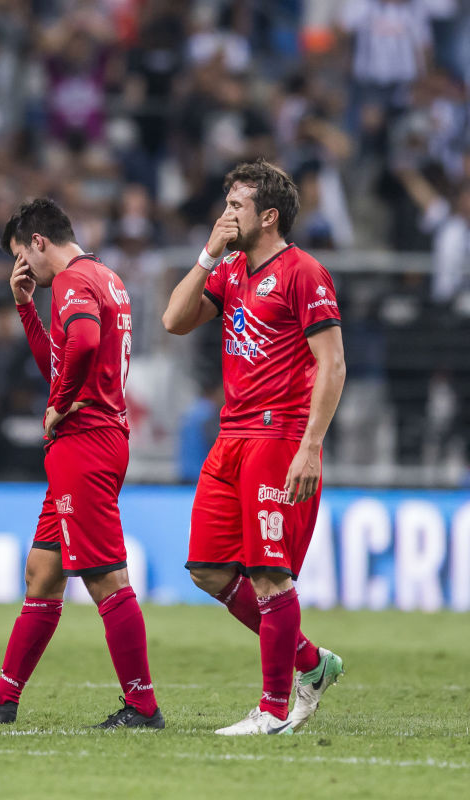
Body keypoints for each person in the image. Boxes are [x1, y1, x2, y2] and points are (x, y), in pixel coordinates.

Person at [0, 199, 163, 730]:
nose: (23, 268)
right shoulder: (105, 278)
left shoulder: (70, 280)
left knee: (106, 578)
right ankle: (3, 697)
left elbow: (82, 344)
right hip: (92, 440)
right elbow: (60, 361)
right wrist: (25, 308)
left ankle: (143, 706)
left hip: (85, 443)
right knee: (42, 573)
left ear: (38, 241)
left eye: (22, 256)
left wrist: (60, 403)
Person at [161, 160, 347, 735]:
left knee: (269, 573)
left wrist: (310, 447)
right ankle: (311, 662)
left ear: (268, 216)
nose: (225, 214)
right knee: (207, 569)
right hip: (231, 436)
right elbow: (173, 320)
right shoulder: (230, 269)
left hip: (279, 436)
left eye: (236, 205)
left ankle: (273, 711)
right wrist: (206, 255)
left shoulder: (303, 272)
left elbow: (333, 364)